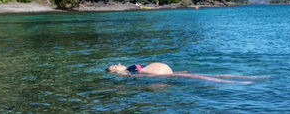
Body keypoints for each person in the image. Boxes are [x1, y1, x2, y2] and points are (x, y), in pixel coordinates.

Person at [106, 62, 266, 84]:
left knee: (201, 74)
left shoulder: (128, 68)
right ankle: (232, 81)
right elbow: (133, 79)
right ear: (114, 71)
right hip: (162, 76)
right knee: (197, 76)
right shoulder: (125, 72)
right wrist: (120, 72)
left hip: (168, 72)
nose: (118, 64)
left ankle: (241, 77)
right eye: (115, 65)